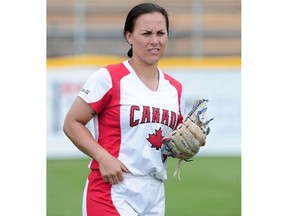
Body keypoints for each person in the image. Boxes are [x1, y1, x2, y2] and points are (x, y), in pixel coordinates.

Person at [63, 3, 187, 216]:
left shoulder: (175, 89)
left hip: (155, 192)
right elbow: (72, 123)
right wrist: (102, 157)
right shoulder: (109, 77)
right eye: (146, 33)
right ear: (129, 36)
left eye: (161, 33)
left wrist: (188, 146)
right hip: (113, 188)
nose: (154, 41)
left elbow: (176, 140)